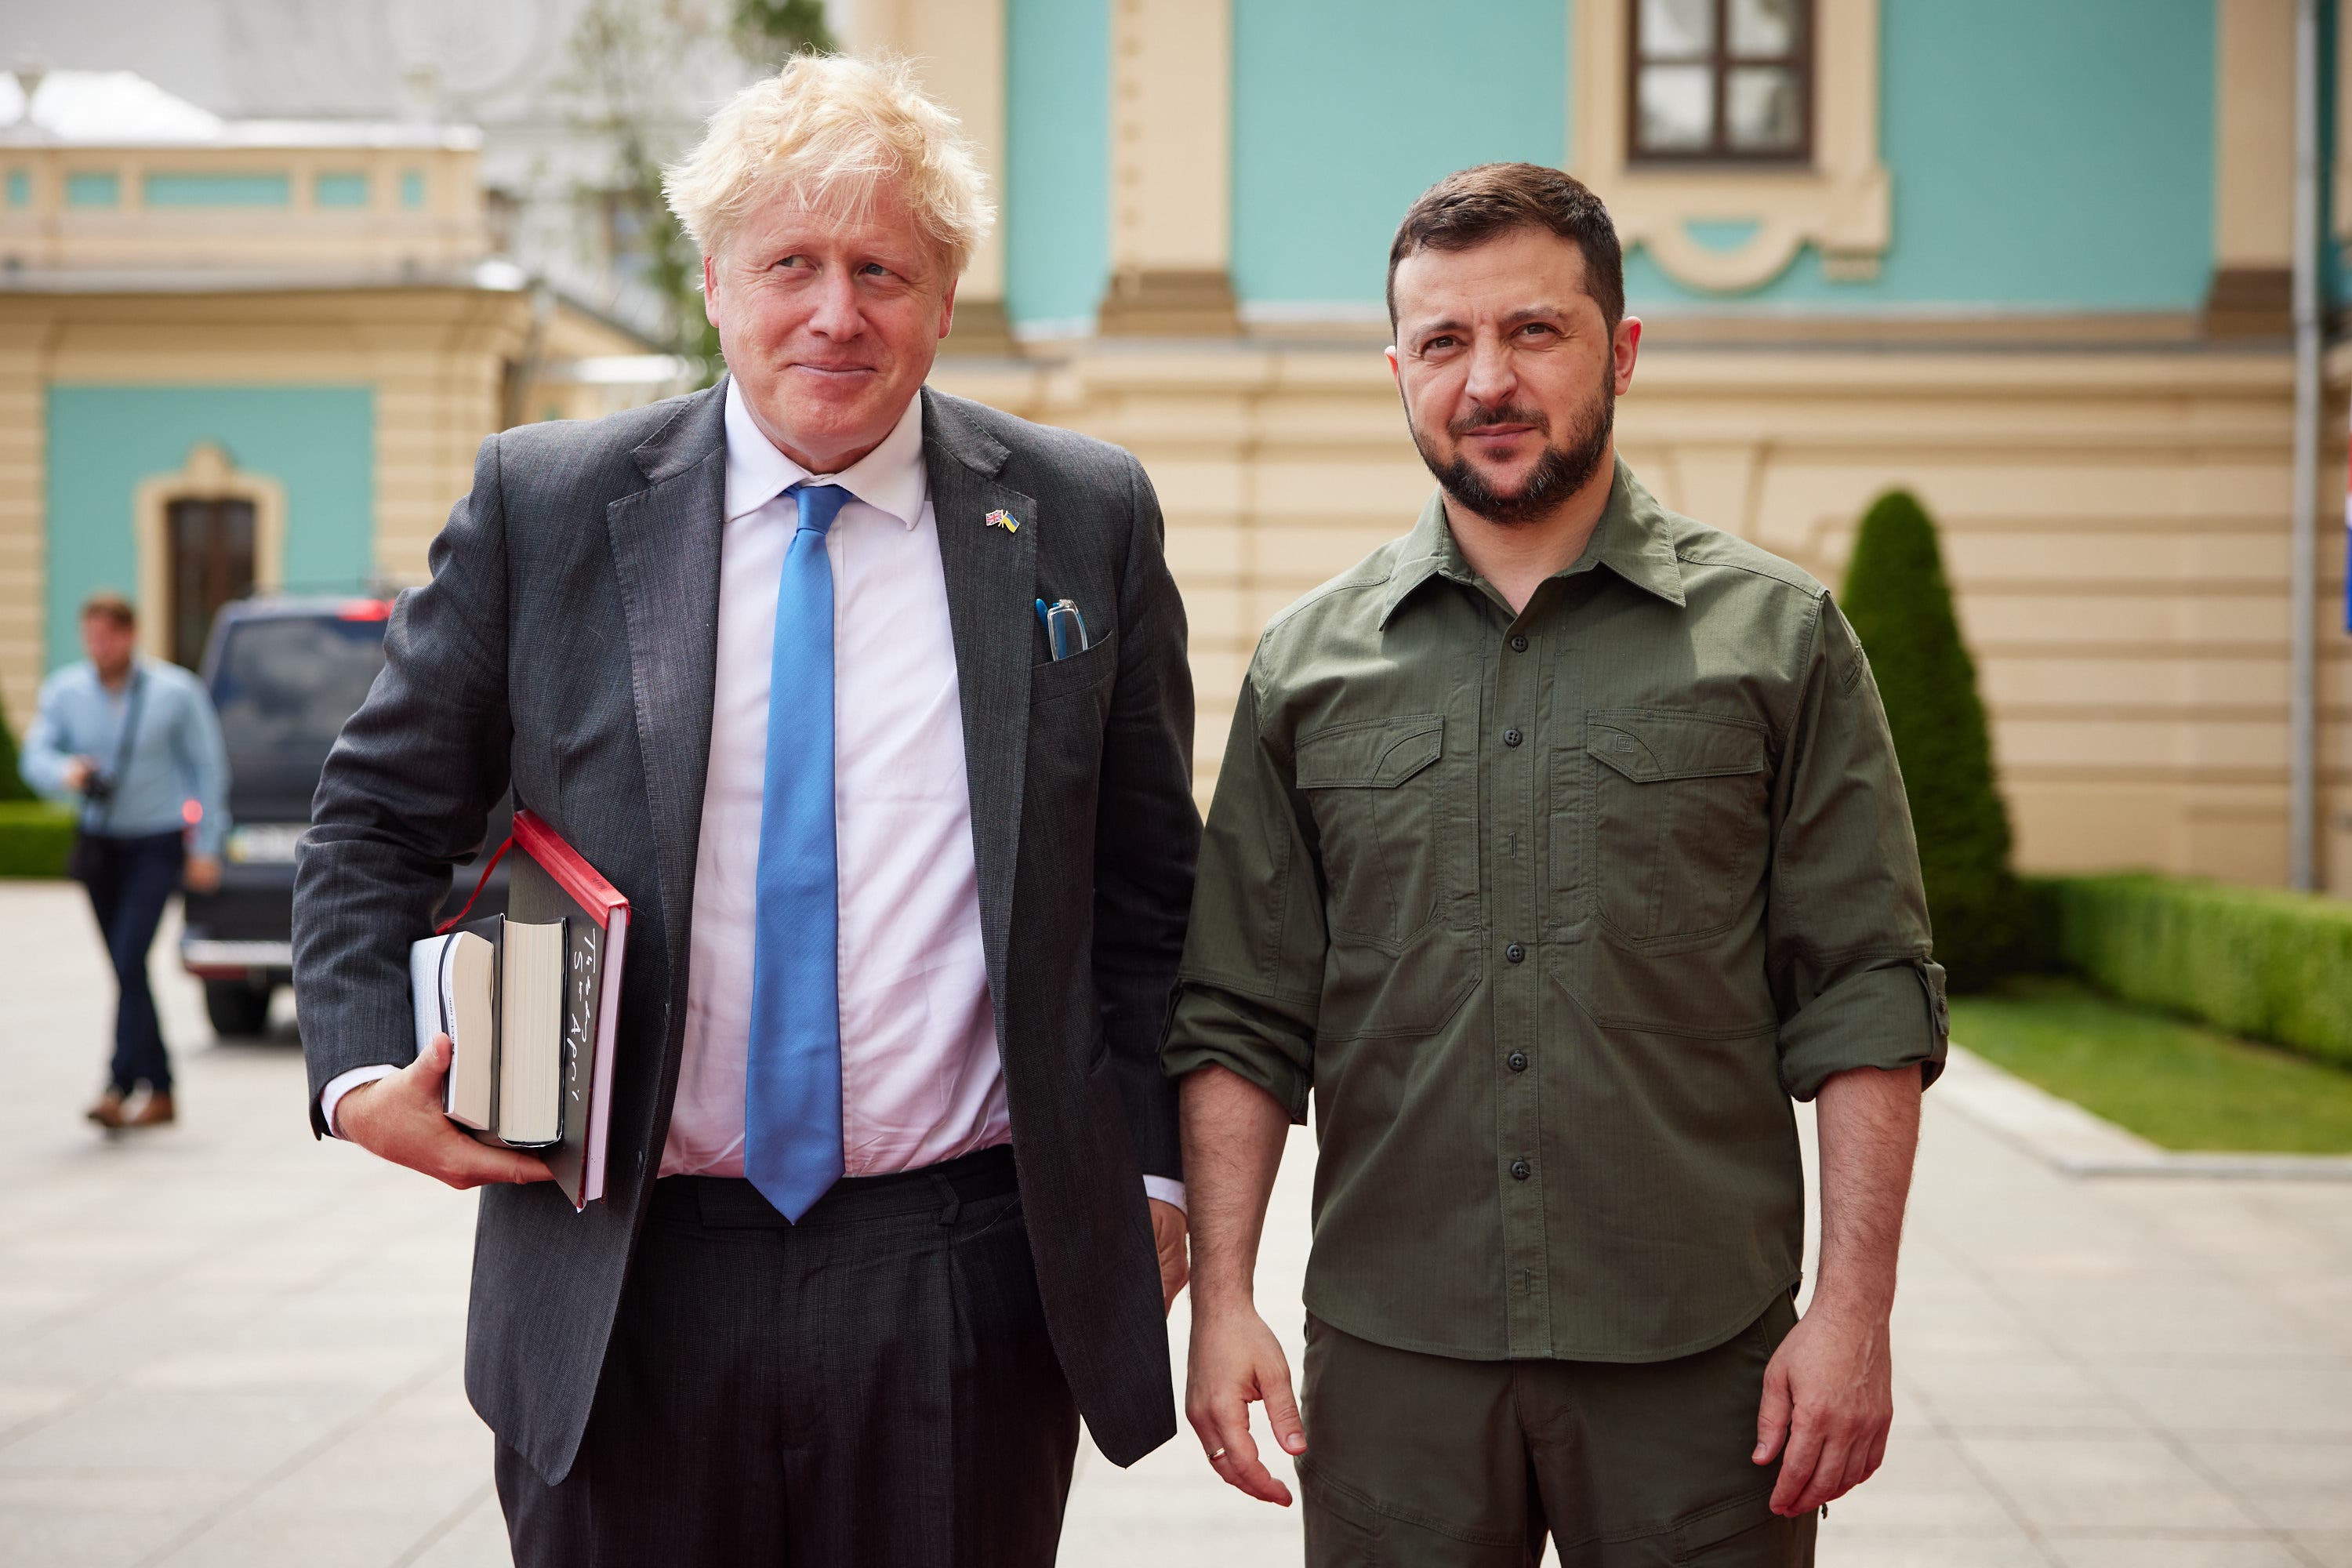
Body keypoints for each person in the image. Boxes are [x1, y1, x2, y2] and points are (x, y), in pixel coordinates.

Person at [292, 53, 1197, 1566]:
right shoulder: (548, 505)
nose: (835, 313)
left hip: (960, 1278)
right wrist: (360, 1071)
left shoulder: (1080, 513)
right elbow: (373, 819)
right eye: (790, 263)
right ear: (715, 281)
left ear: (944, 294)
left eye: (880, 269)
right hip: (621, 1268)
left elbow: (1147, 888)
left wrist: (1156, 1180)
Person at [1166, 163, 1948, 1567]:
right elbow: (1241, 1012)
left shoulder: (1782, 641)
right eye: (1447, 343)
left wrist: (1851, 1317)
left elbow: (1866, 997)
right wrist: (1222, 1297)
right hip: (1396, 1362)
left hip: (1698, 1368)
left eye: (1534, 331)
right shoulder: (1308, 666)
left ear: (1621, 352)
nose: (1489, 382)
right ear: (1399, 368)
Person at [23, 590, 229, 1131]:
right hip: (100, 847)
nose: (100, 647)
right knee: (125, 965)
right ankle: (160, 1088)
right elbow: (34, 755)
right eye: (91, 636)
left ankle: (117, 1084)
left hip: (156, 844)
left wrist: (206, 844)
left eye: (109, 636)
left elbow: (207, 770)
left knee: (129, 955)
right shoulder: (65, 691)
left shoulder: (174, 692)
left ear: (130, 634)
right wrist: (64, 772)